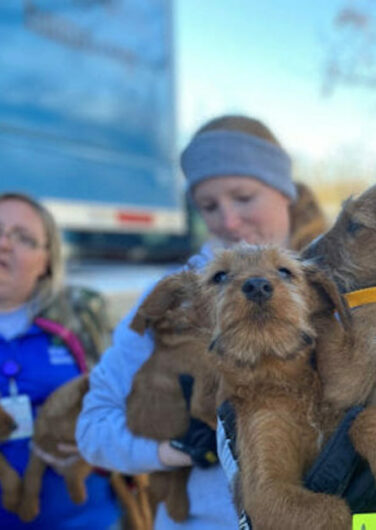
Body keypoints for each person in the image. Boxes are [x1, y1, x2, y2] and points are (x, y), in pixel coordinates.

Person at [76, 115, 324, 529]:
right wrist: (173, 451)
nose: (227, 221)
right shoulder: (174, 299)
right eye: (209, 206)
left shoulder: (332, 282)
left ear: (286, 193)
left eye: (243, 197)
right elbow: (93, 427)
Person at [0, 192, 120, 529]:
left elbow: (129, 404)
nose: (4, 244)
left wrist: (97, 447)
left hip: (85, 519)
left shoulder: (82, 317)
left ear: (46, 261)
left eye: (22, 238)